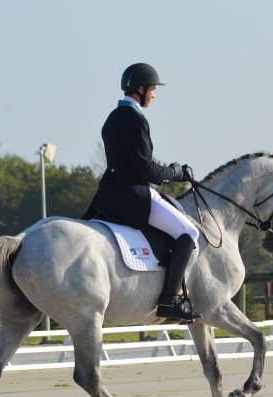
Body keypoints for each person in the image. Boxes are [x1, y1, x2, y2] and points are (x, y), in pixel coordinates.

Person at [86, 62, 202, 323]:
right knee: (189, 234)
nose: (154, 94)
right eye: (152, 89)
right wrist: (176, 172)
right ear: (140, 89)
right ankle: (169, 301)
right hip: (134, 194)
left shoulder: (112, 118)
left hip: (109, 194)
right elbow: (145, 168)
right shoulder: (136, 120)